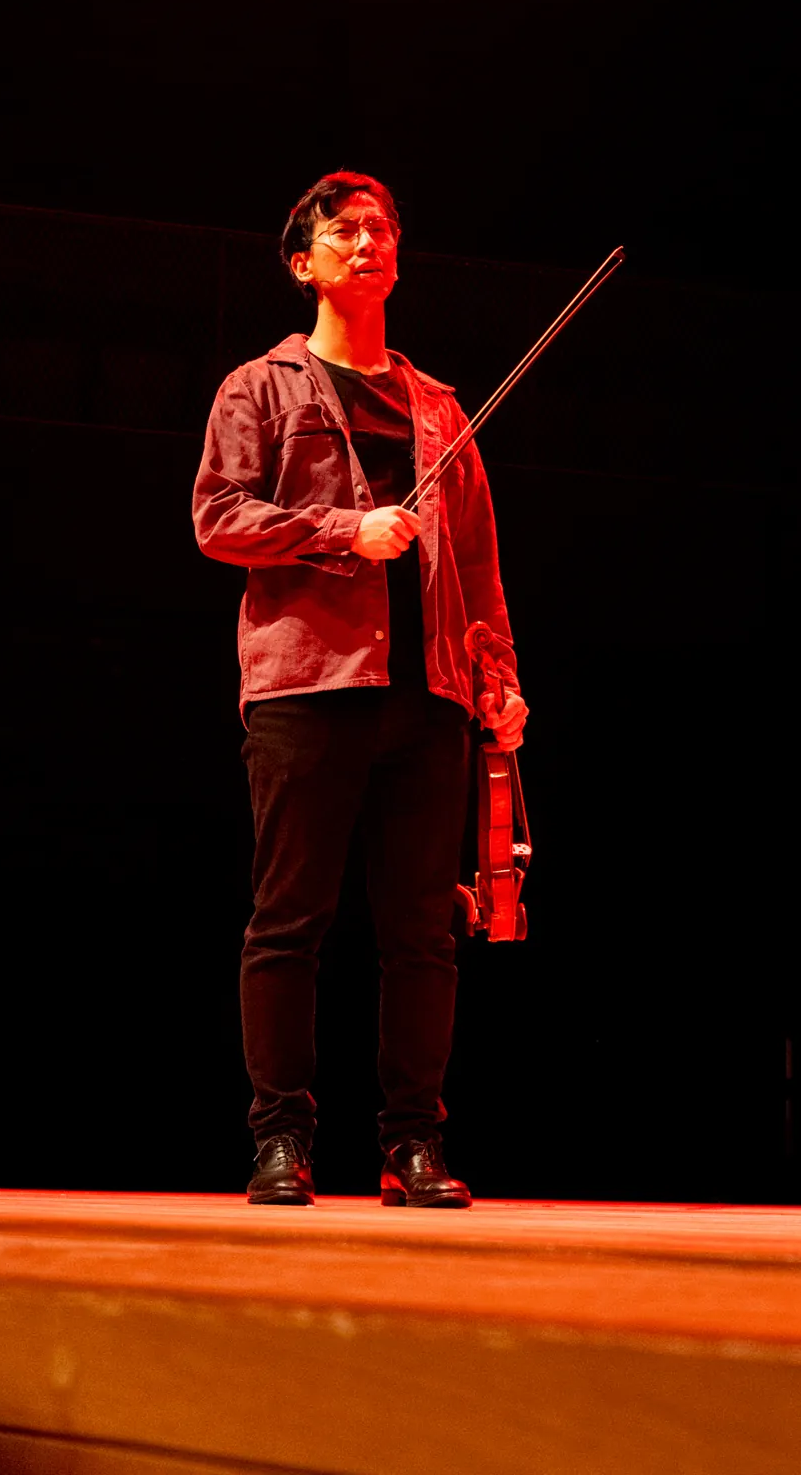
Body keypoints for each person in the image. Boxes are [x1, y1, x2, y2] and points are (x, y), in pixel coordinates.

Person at [192, 171, 527, 1207]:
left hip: (427, 694)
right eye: (344, 230)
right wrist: (347, 531)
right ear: (305, 263)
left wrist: (499, 680)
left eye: (381, 228)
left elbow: (477, 561)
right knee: (289, 920)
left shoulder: (440, 408)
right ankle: (281, 1140)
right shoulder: (258, 387)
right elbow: (218, 517)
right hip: (307, 684)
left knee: (424, 931)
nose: (368, 240)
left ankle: (413, 1144)